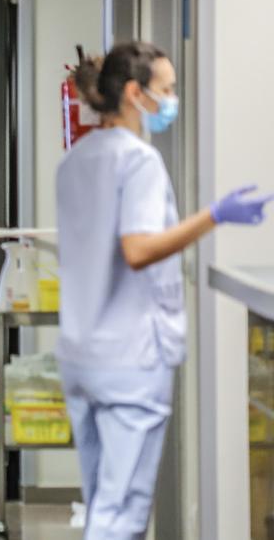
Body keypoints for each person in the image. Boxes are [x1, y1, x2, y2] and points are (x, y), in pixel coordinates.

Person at [56, 41, 274, 538]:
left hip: (83, 356)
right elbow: (137, 250)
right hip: (131, 360)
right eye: (167, 90)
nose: (172, 100)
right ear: (135, 93)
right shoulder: (139, 162)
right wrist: (214, 217)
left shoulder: (77, 159)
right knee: (121, 516)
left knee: (101, 506)